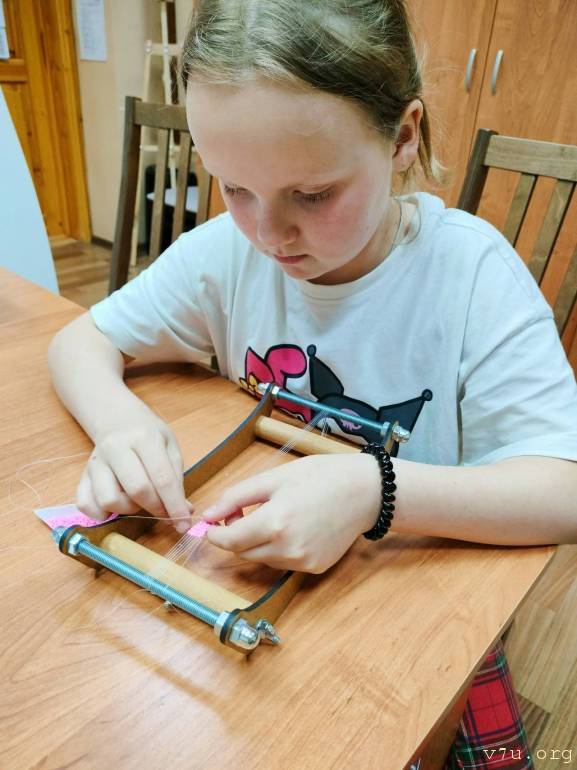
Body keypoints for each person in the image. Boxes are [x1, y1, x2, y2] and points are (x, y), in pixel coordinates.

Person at [48, 2, 577, 767]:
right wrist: (120, 424)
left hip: (416, 600)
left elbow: (563, 491)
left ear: (402, 138)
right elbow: (79, 341)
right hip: (264, 608)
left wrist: (373, 491)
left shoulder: (468, 275)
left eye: (313, 194)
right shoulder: (225, 256)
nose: (269, 234)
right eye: (232, 187)